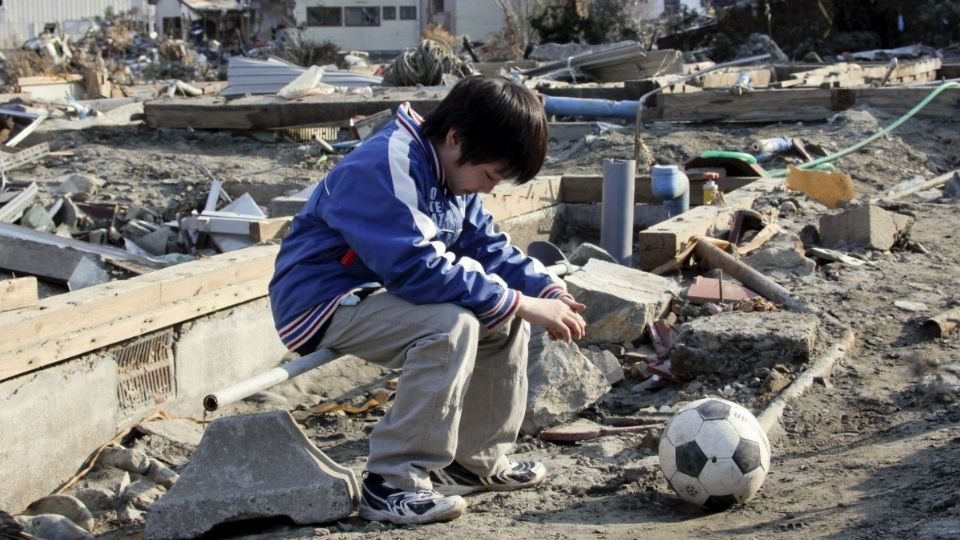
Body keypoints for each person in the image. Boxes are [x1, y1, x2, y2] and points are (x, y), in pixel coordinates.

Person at [269, 75, 586, 525]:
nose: (490, 188)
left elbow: (487, 246)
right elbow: (415, 268)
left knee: (500, 318)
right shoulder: (388, 163)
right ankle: (390, 483)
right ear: (456, 138)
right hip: (321, 300)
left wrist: (544, 290)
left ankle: (472, 463)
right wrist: (520, 301)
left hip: (378, 292)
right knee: (451, 324)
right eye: (491, 174)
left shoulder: (449, 173)